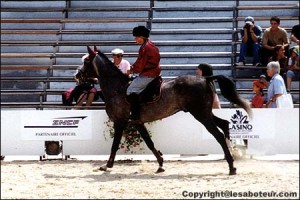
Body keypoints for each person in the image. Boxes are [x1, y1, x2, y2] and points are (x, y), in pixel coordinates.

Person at [127, 25, 161, 123]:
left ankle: (135, 115)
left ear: (142, 37)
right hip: (151, 72)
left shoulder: (145, 48)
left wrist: (131, 69)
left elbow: (140, 64)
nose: (135, 39)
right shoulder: (149, 45)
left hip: (149, 74)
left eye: (136, 37)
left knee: (130, 90)